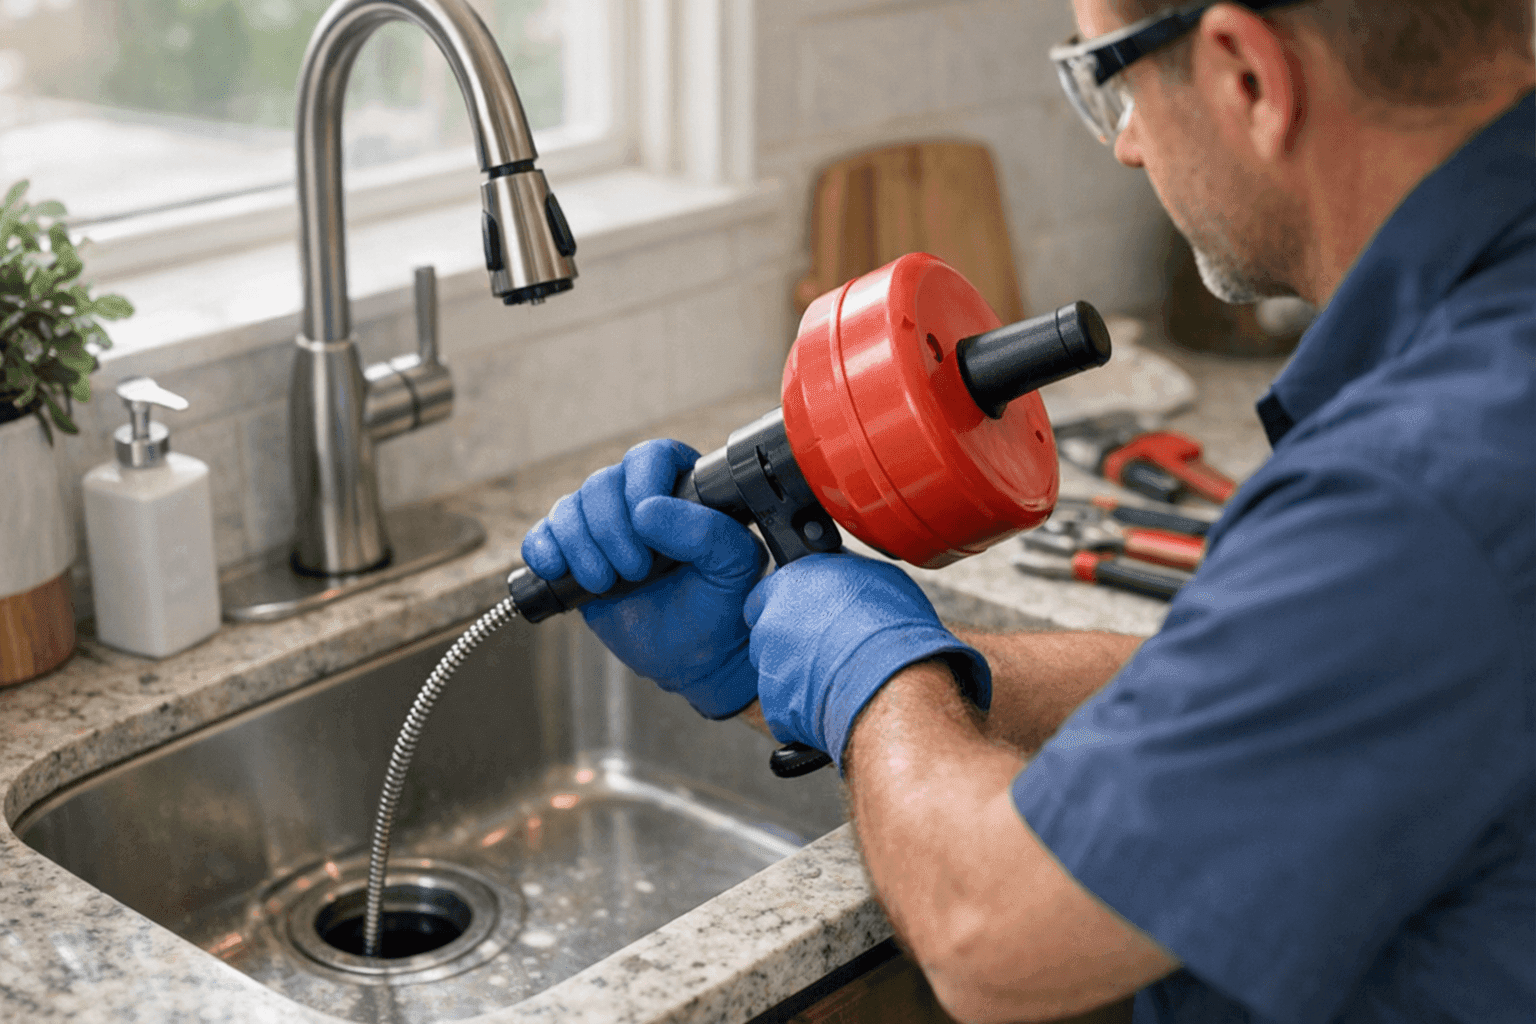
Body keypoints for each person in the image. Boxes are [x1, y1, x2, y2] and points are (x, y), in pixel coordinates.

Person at [522, 1, 1536, 1020]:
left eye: (1113, 83)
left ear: (1247, 78)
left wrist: (870, 677)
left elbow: (991, 932)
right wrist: (853, 664)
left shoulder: (1418, 488)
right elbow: (1256, 703)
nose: (1130, 145)